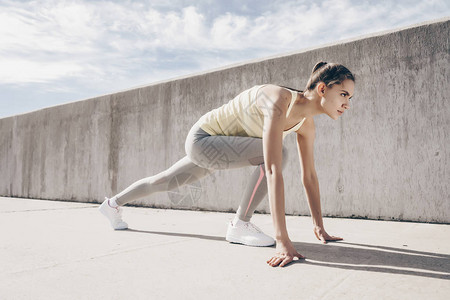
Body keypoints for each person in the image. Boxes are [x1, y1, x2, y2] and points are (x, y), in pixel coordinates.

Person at [99, 61, 355, 267]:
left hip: (224, 148)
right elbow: (273, 168)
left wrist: (318, 226)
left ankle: (112, 205)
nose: (346, 103)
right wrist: (282, 240)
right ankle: (240, 224)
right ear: (322, 89)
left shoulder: (306, 125)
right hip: (205, 140)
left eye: (350, 98)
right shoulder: (278, 99)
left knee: (164, 181)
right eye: (343, 94)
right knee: (278, 156)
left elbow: (309, 175)